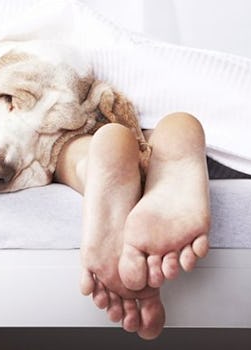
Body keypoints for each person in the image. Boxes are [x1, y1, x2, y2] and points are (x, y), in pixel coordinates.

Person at [54, 112, 211, 340]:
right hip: (222, 140)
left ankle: (87, 164)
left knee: (62, 150)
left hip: (90, 118)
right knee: (130, 139)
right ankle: (167, 157)